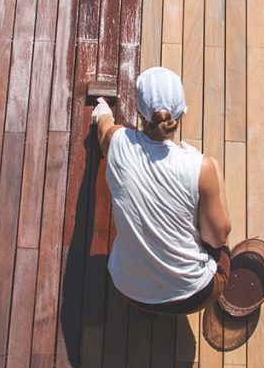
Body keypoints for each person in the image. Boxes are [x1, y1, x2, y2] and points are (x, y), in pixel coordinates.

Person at [90, 67, 233, 315]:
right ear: (181, 114)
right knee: (222, 242)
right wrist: (213, 174)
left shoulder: (118, 143)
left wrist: (102, 109)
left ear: (139, 113)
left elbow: (103, 128)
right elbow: (217, 238)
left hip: (129, 289)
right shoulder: (201, 166)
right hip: (194, 294)